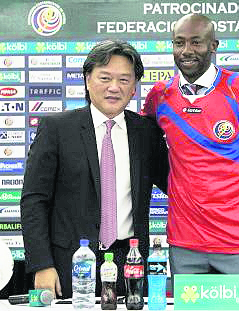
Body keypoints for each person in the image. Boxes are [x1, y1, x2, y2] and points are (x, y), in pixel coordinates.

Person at [141, 13, 239, 297]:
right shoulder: (160, 96)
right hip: (184, 243)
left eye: (196, 42)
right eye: (179, 42)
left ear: (214, 45)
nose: (186, 51)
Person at [20, 39, 169, 299]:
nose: (114, 87)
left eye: (124, 80)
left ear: (134, 87)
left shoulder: (147, 133)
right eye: (105, 78)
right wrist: (42, 264)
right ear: (87, 79)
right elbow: (34, 201)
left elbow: (176, 184)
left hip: (130, 264)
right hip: (69, 264)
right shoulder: (57, 129)